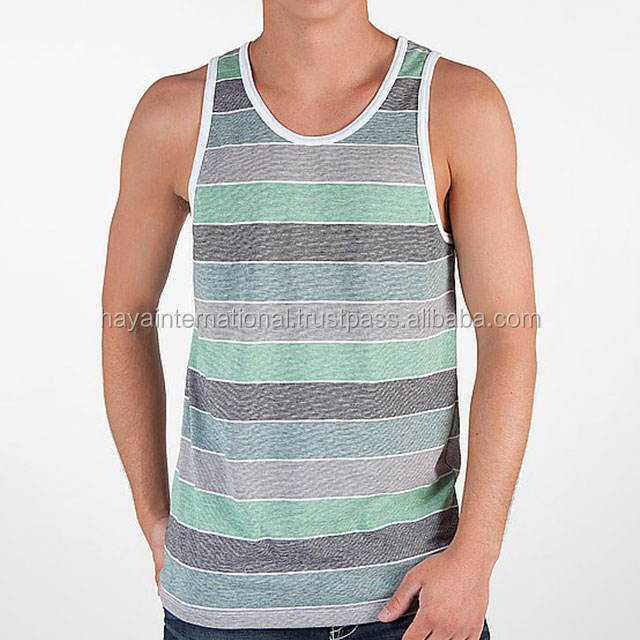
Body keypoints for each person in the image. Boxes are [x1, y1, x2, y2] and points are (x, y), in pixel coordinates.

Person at [102, 1, 536, 638]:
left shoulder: (457, 106)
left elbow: (510, 340)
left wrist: (478, 554)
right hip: (220, 603)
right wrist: (153, 517)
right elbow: (124, 319)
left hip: (411, 603)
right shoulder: (178, 113)